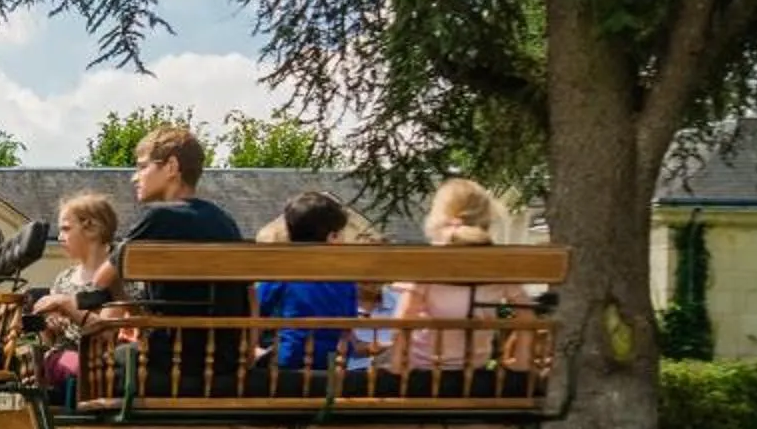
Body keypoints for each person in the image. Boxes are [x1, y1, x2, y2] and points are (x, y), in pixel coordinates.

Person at [110, 123, 247, 388]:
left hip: (171, 359)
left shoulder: (160, 216)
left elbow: (103, 278)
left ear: (171, 167)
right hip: (224, 361)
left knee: (111, 355)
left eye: (142, 167)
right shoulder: (226, 222)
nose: (134, 177)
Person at [380, 177, 525, 371]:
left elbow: (404, 319)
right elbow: (527, 317)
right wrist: (521, 369)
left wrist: (397, 372)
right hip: (475, 376)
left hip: (424, 376)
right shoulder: (499, 266)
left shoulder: (428, 263)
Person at [255, 190, 359, 371]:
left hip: (288, 363)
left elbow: (255, 310)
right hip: (334, 365)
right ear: (331, 237)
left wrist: (255, 350)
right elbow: (347, 329)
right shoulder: (345, 280)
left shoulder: (282, 273)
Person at [33, 192, 121, 392]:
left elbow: (108, 333)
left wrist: (66, 305)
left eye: (66, 229)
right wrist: (49, 324)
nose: (60, 237)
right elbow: (50, 341)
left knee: (82, 368)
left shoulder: (118, 276)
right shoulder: (64, 278)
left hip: (101, 360)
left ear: (92, 229)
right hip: (63, 356)